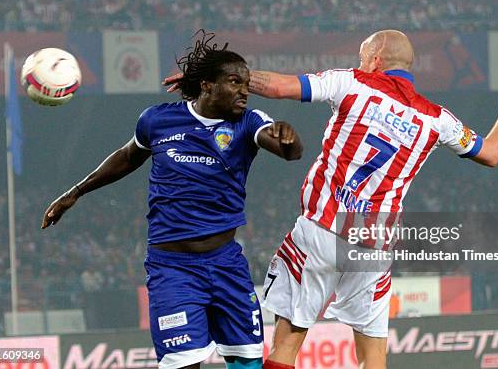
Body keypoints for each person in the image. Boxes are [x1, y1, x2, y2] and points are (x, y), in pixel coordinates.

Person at [164, 29, 498, 369]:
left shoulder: (353, 82)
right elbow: (492, 153)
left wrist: (214, 81)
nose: (359, 63)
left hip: (323, 228)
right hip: (373, 243)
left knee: (287, 344)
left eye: (362, 56)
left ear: (376, 60)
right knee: (373, 356)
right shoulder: (438, 119)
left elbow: (278, 87)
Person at [42, 30, 303, 369]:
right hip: (173, 271)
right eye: (236, 82)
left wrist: (288, 138)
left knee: (248, 364)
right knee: (181, 364)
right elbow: (127, 157)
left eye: (247, 84)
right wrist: (74, 193)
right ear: (207, 85)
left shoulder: (248, 122)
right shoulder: (158, 120)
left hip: (227, 265)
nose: (244, 91)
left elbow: (289, 151)